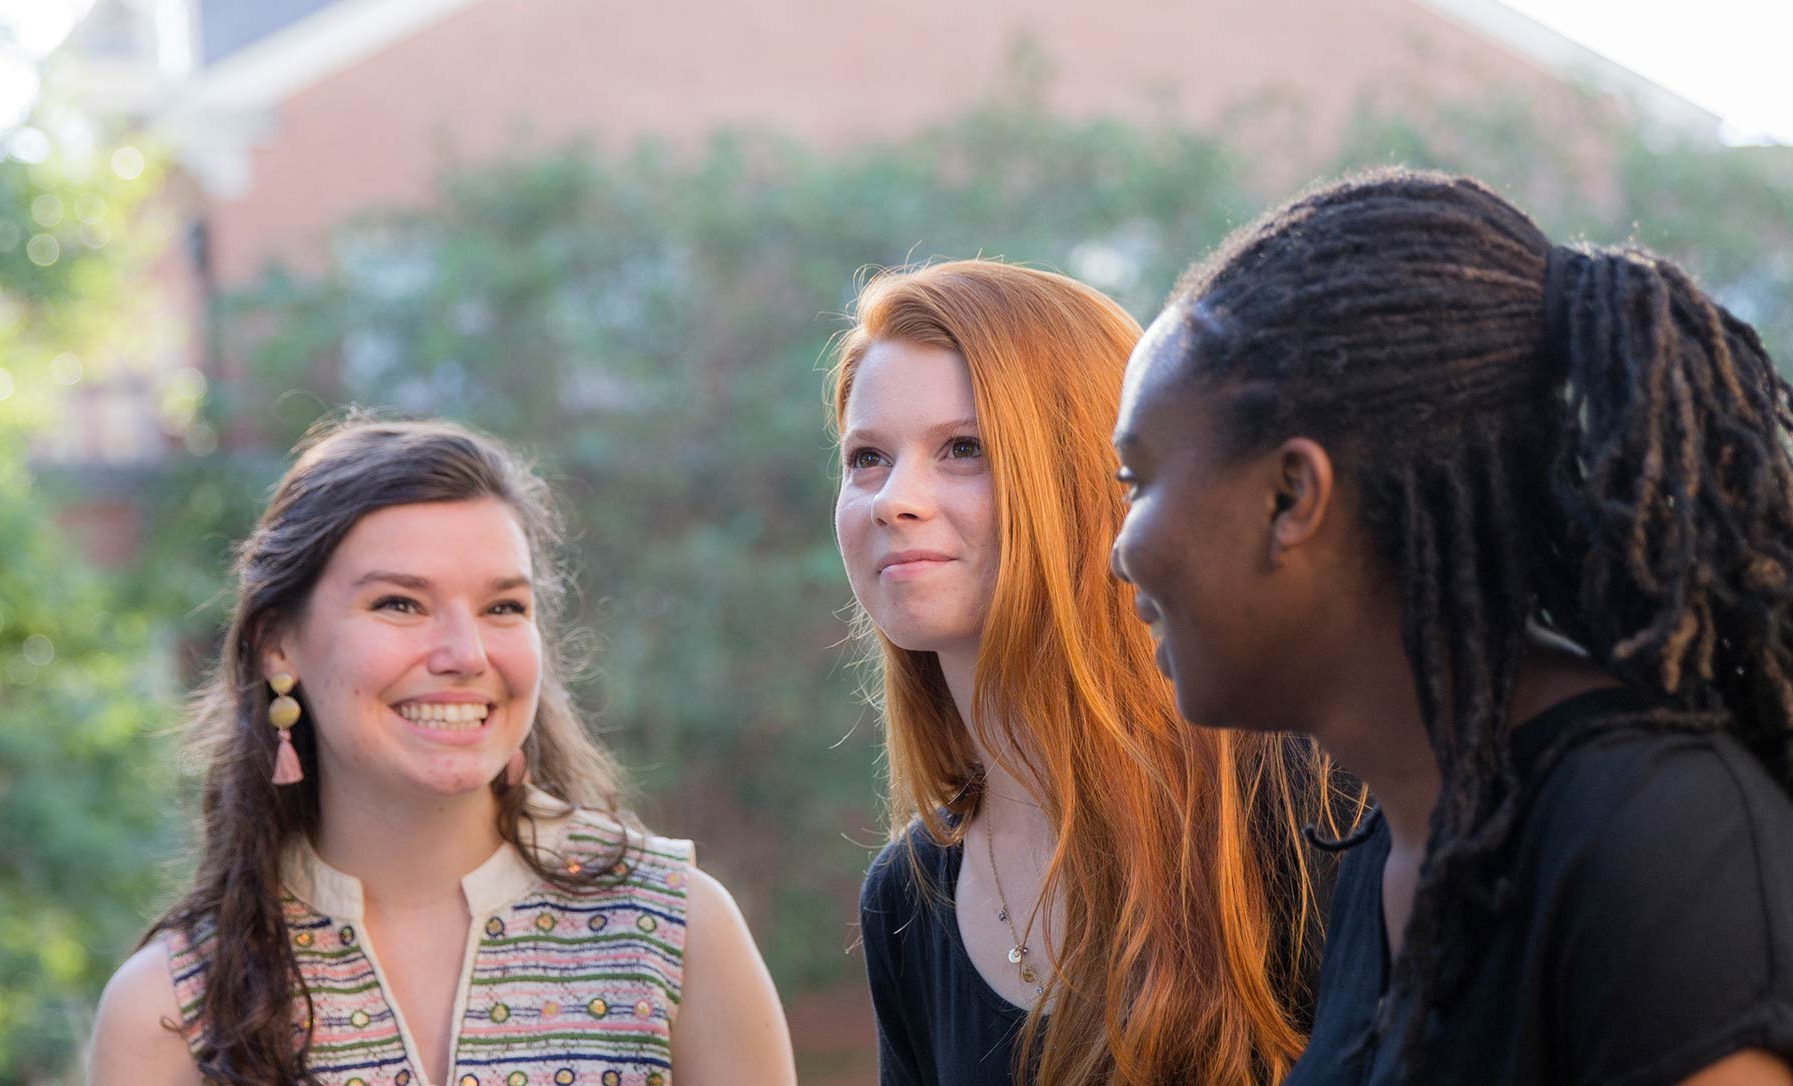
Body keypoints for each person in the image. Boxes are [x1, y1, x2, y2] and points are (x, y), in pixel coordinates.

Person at [1111, 167, 1793, 1086]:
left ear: (1291, 496)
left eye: (1140, 481)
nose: (1121, 555)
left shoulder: (1651, 837)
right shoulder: (1396, 846)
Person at [87, 417, 795, 1086]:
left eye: (503, 607)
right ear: (279, 643)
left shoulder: (676, 932)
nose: (465, 654)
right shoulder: (172, 1008)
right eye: (400, 603)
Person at [833, 259, 1349, 1085]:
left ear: (1091, 478)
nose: (894, 499)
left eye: (964, 448)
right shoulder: (909, 897)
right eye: (867, 458)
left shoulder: (1306, 794)